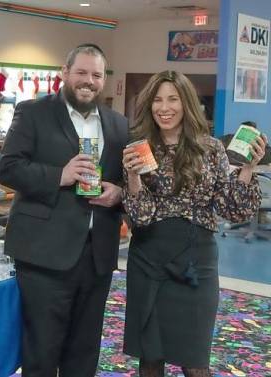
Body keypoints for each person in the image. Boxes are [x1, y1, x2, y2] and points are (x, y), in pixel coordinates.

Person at [121, 70, 266, 377]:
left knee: (196, 361)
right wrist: (133, 177)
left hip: (196, 262)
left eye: (173, 99)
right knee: (150, 356)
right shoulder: (141, 148)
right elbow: (141, 216)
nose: (165, 107)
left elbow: (232, 210)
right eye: (157, 100)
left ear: (186, 102)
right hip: (149, 258)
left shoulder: (211, 149)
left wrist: (247, 170)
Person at [0, 44, 128, 376]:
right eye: (81, 72)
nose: (89, 81)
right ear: (64, 73)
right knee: (42, 351)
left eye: (96, 75)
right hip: (44, 255)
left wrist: (119, 193)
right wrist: (60, 175)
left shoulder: (118, 125)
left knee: (84, 352)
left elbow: (126, 179)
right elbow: (8, 168)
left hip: (97, 256)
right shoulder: (33, 112)